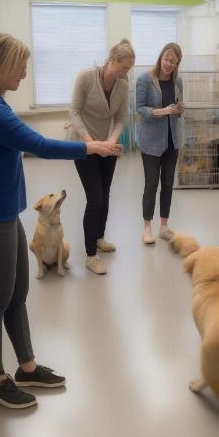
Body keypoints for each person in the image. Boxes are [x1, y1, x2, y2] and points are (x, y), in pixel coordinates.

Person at [0, 33, 119, 409]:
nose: (25, 72)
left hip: (3, 215)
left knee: (17, 295)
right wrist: (90, 146)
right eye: (20, 65)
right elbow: (38, 145)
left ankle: (26, 366)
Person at [68, 39, 135, 275]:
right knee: (94, 198)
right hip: (83, 144)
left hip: (108, 145)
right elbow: (74, 111)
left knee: (105, 194)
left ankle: (99, 237)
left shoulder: (123, 86)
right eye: (124, 68)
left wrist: (112, 141)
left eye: (129, 69)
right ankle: (90, 255)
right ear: (112, 60)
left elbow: (119, 119)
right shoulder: (86, 78)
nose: (126, 73)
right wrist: (90, 143)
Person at [135, 43, 185, 245]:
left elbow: (178, 109)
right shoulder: (144, 79)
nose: (169, 64)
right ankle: (147, 227)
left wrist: (179, 109)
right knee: (151, 185)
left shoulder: (177, 81)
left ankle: (163, 226)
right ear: (160, 57)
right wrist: (164, 111)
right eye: (167, 59)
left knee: (168, 185)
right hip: (151, 143)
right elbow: (139, 108)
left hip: (173, 141)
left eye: (174, 61)